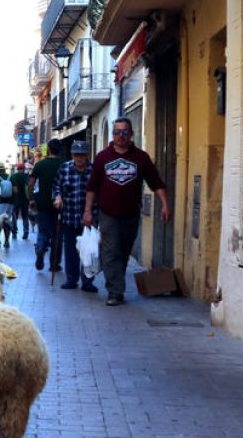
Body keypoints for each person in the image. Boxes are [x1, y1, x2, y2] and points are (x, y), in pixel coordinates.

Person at [84, 118, 169, 306]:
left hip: (131, 214)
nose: (120, 136)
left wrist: (165, 204)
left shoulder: (141, 157)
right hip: (108, 214)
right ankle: (115, 292)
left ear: (131, 134)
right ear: (112, 135)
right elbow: (92, 187)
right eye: (117, 132)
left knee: (123, 252)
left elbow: (156, 182)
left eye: (124, 132)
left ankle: (116, 285)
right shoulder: (102, 157)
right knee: (110, 251)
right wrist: (88, 211)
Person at [53, 141, 95, 291]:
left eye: (82, 155)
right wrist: (57, 197)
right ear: (72, 155)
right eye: (76, 155)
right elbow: (56, 186)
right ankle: (71, 279)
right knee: (70, 250)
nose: (79, 158)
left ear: (87, 155)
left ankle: (88, 282)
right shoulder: (64, 168)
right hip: (69, 217)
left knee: (88, 251)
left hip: (89, 219)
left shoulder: (94, 170)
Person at [29, 138, 64, 272]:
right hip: (60, 204)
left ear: (48, 149)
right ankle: (54, 263)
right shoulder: (64, 165)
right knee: (57, 234)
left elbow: (31, 184)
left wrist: (32, 200)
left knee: (43, 231)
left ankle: (40, 248)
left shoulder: (40, 165)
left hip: (42, 203)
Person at [0, 164, 17, 248]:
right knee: (7, 222)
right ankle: (6, 241)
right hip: (9, 203)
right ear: (4, 169)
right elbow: (16, 190)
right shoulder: (11, 177)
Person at [10, 162, 32, 240]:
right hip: (25, 199)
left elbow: (12, 188)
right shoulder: (26, 176)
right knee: (25, 216)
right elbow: (29, 186)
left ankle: (14, 233)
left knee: (14, 216)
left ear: (17, 169)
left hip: (15, 199)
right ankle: (26, 232)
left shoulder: (13, 176)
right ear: (23, 169)